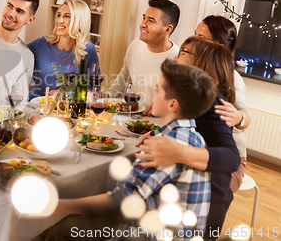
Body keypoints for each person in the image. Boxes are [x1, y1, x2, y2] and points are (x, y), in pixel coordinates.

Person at [46, 59, 216, 241]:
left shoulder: (165, 145)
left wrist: (54, 206)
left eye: (158, 89)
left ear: (172, 105)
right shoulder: (194, 136)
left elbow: (121, 200)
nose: (153, 93)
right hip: (177, 228)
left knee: (63, 227)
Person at [135, 36, 240, 240]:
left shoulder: (213, 103)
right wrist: (158, 134)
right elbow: (193, 130)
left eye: (183, 52)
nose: (175, 56)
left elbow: (231, 157)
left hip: (205, 205)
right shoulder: (196, 98)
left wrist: (178, 152)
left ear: (201, 63)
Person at [0, 0, 99, 99]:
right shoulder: (41, 44)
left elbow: (94, 89)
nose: (59, 21)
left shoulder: (89, 50)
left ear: (79, 20)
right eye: (59, 15)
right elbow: (13, 53)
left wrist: (66, 94)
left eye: (66, 16)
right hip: (34, 107)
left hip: (68, 110)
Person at [195, 15, 251, 191]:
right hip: (201, 151)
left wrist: (239, 117)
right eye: (195, 35)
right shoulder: (195, 72)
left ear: (218, 46)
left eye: (201, 38)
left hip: (230, 162)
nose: (193, 41)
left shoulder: (232, 77)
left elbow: (246, 117)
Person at [104, 0, 180, 108]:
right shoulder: (135, 45)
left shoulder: (179, 59)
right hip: (133, 115)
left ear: (167, 30)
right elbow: (124, 78)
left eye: (150, 21)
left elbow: (180, 100)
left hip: (159, 120)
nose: (142, 24)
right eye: (144, 18)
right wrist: (107, 95)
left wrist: (162, 106)